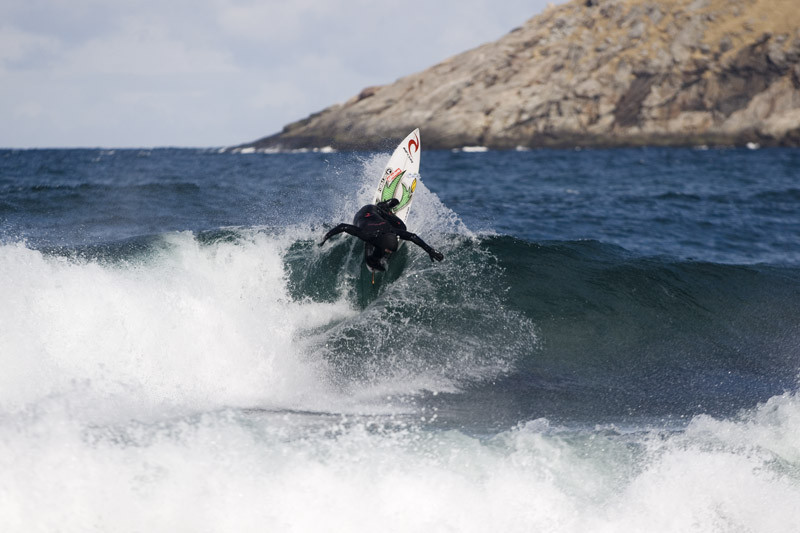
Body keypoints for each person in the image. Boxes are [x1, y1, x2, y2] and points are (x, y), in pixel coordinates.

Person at [318, 198, 444, 271]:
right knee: (371, 253)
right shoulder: (368, 235)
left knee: (402, 228)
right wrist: (325, 237)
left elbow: (412, 236)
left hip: (378, 220)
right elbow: (343, 227)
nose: (389, 252)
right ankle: (383, 206)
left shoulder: (392, 231)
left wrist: (430, 250)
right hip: (368, 211)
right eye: (388, 250)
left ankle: (383, 209)